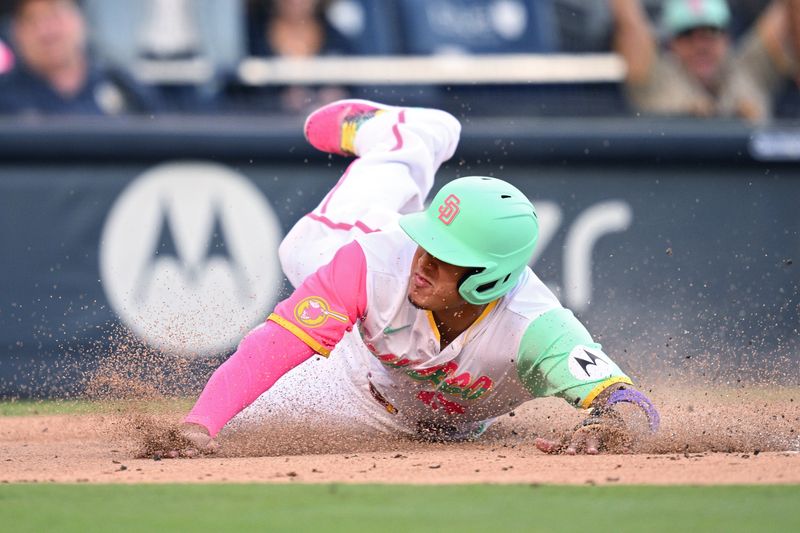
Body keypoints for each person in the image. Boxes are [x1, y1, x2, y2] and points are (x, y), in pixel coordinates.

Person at [163, 98, 660, 458]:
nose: (423, 261)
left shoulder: (535, 328)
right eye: (429, 240)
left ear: (489, 278)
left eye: (446, 256)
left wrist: (612, 428)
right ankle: (403, 142)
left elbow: (629, 401)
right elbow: (272, 345)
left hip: (450, 429)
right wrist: (199, 423)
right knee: (301, 252)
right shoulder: (379, 261)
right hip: (354, 388)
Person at [609, 0, 800, 123]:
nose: (701, 45)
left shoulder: (750, 70)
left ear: (727, 38)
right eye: (688, 34)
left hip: (756, 182)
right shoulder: (655, 79)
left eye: (711, 33)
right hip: (675, 182)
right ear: (672, 43)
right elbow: (628, 22)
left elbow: (789, 8)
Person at [0, 0, 160, 116]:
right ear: (15, 32)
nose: (45, 30)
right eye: (30, 19)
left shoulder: (124, 88)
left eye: (54, 13)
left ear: (80, 18)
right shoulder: (5, 100)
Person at [227, 0, 351, 114]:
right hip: (260, 131)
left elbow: (358, 91)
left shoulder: (339, 42)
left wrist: (337, 99)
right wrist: (275, 102)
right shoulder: (246, 38)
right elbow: (231, 92)